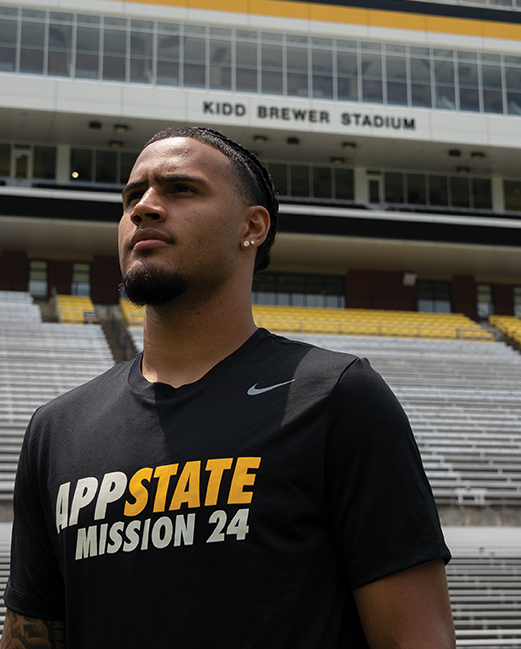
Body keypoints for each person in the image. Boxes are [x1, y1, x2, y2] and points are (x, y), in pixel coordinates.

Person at [2, 126, 455, 649]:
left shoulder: (336, 397)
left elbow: (416, 639)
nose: (143, 208)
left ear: (252, 226)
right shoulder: (56, 428)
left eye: (180, 189)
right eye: (132, 196)